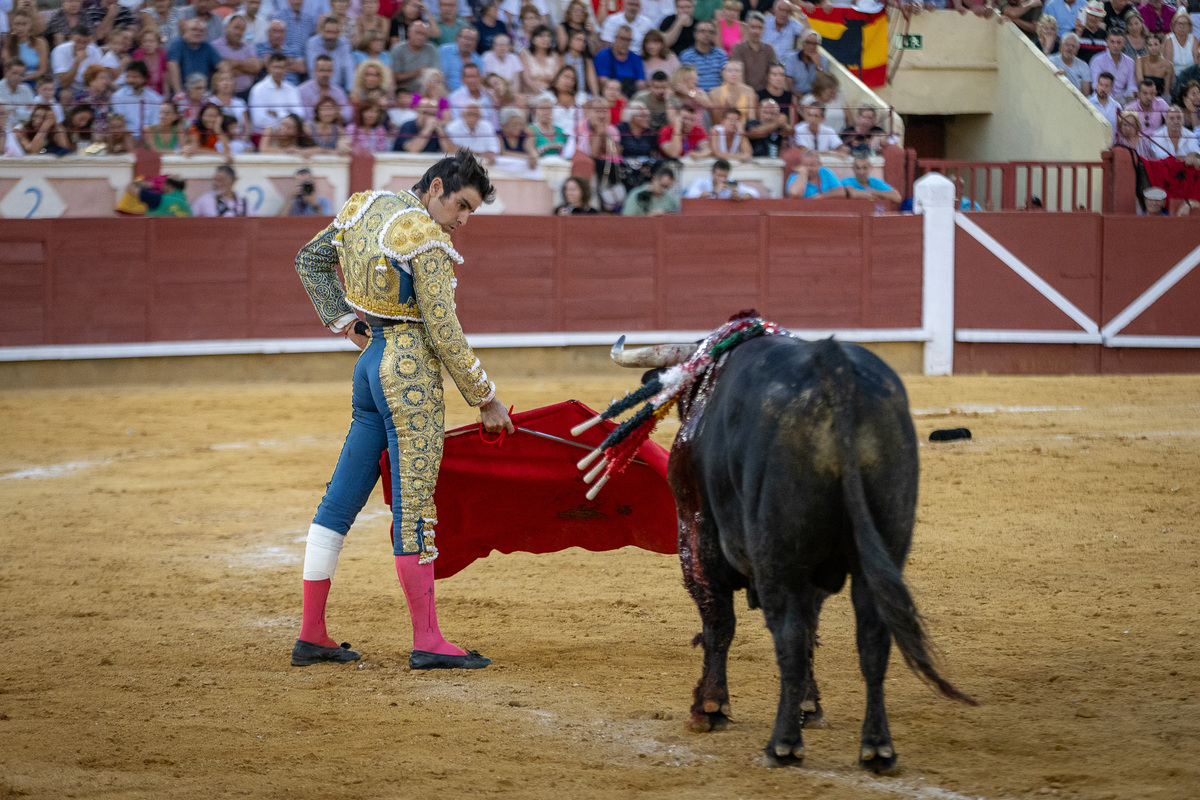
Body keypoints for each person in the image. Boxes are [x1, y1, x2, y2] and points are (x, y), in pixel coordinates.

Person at [291, 150, 513, 670]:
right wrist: (485, 397)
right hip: (408, 372)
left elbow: (311, 260)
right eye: (460, 206)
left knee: (338, 502)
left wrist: (346, 322)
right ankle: (428, 638)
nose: (461, 221)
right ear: (435, 187)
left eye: (471, 213)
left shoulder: (363, 207)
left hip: (370, 365)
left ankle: (312, 632)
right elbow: (443, 329)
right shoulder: (426, 238)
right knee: (414, 505)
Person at [167, 19, 225, 97]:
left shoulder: (206, 46)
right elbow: (172, 65)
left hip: (203, 93)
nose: (197, 33)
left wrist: (216, 92)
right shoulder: (178, 44)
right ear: (186, 30)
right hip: (184, 92)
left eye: (201, 31)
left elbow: (223, 67)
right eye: (193, 29)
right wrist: (179, 93)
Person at [249, 52, 306, 131]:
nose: (278, 71)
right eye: (275, 67)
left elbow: (301, 114)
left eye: (282, 67)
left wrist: (276, 114)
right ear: (268, 68)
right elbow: (259, 120)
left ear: (286, 69)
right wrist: (287, 115)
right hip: (266, 136)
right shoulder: (258, 89)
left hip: (290, 134)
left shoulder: (292, 89)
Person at [212, 14, 263, 95]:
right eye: (236, 28)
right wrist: (247, 70)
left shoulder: (249, 46)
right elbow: (222, 70)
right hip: (224, 94)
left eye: (242, 30)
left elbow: (256, 67)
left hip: (247, 92)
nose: (238, 32)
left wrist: (235, 63)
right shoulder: (215, 46)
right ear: (227, 27)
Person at [594, 24, 647, 96]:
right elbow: (603, 81)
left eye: (628, 40)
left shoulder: (636, 58)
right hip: (609, 95)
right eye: (622, 39)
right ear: (615, 38)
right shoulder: (603, 55)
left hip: (631, 95)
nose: (625, 43)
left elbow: (641, 82)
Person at [729, 11, 776, 91]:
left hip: (764, 93)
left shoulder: (769, 49)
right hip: (743, 93)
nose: (756, 31)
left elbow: (773, 73)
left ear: (763, 30)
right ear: (747, 28)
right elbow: (738, 75)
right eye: (753, 27)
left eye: (760, 28)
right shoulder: (738, 48)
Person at [679, 19, 727, 90]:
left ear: (714, 35)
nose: (707, 34)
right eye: (702, 31)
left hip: (718, 97)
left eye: (711, 32)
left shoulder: (721, 54)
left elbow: (726, 78)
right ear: (695, 34)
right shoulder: (687, 56)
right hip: (695, 97)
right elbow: (686, 81)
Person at [1091, 30, 1137, 101]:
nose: (1116, 46)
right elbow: (1096, 85)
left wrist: (1128, 97)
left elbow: (1131, 86)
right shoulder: (1097, 60)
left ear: (1124, 43)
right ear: (1107, 42)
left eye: (1119, 42)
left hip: (1123, 98)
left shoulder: (1130, 62)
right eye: (1112, 42)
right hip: (1103, 96)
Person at [521, 24, 564, 94]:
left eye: (548, 36)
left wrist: (547, 91)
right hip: (530, 93)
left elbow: (557, 79)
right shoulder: (525, 54)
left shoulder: (555, 55)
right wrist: (541, 90)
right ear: (533, 40)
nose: (546, 39)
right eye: (542, 36)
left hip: (550, 93)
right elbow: (527, 79)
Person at [684, 157, 755, 197]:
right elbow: (690, 194)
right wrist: (714, 192)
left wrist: (741, 196)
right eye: (719, 175)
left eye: (725, 176)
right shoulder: (701, 181)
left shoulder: (730, 183)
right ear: (712, 174)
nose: (722, 179)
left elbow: (754, 193)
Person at [439, 26, 484, 91]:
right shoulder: (444, 51)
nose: (468, 42)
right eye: (466, 38)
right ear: (457, 38)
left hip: (468, 97)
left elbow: (480, 83)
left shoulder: (479, 61)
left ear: (476, 43)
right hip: (445, 93)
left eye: (472, 39)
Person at [125, 175, 193, 216]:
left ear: (169, 186)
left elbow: (131, 188)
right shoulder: (185, 200)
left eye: (163, 183)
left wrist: (150, 185)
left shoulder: (157, 198)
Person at [0, 59, 36, 127]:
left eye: (21, 75)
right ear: (6, 72)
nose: (17, 77)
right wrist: (23, 112)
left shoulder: (26, 89)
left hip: (24, 127)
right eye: (14, 73)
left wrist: (15, 112)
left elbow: (32, 114)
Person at [1137, 33, 1173, 98]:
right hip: (1144, 96)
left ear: (1161, 46)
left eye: (1156, 44)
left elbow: (1166, 90)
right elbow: (1140, 82)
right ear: (1146, 47)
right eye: (1150, 45)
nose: (1153, 48)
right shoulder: (1140, 60)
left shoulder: (1168, 64)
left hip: (1160, 97)